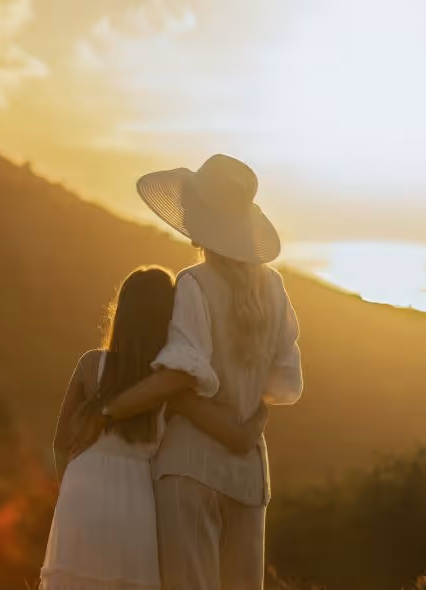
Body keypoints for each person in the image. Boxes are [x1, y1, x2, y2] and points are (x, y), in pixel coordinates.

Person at [72, 154, 304, 590]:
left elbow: (180, 376)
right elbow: (282, 383)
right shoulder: (274, 287)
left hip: (188, 467)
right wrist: (247, 425)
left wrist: (106, 412)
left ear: (201, 218)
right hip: (249, 472)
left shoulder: (194, 284)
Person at [41, 265, 269, 590]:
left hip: (81, 492)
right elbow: (236, 436)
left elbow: (60, 443)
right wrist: (261, 407)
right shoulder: (165, 386)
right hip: (137, 499)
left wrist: (71, 492)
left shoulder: (90, 365)